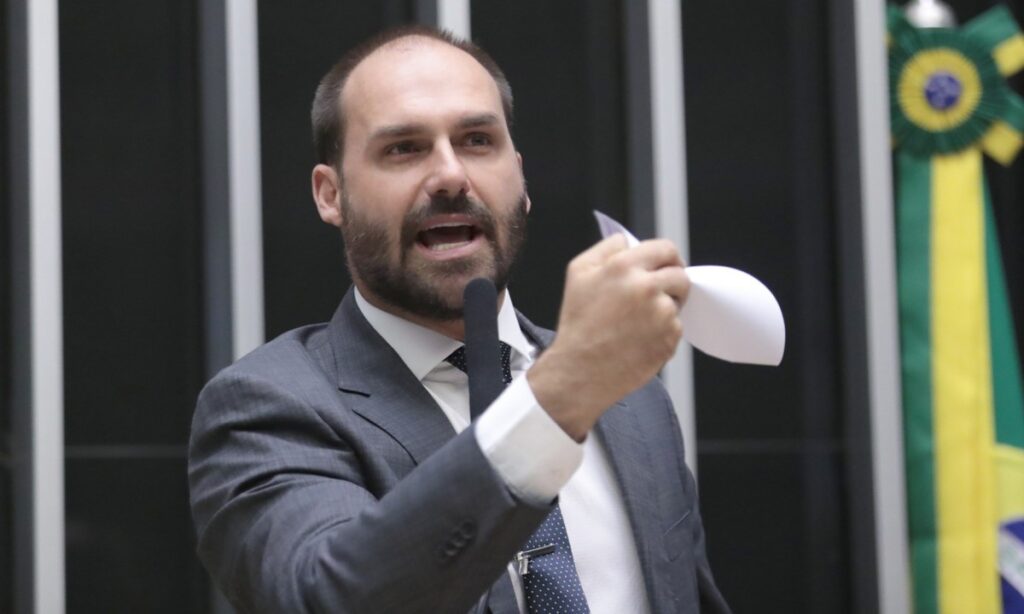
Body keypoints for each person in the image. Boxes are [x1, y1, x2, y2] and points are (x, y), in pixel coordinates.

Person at [189, 24, 730, 614]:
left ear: (520, 178)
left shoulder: (631, 399)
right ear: (330, 194)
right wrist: (558, 397)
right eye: (404, 148)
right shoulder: (266, 410)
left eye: (477, 140)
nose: (450, 175)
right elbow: (329, 599)